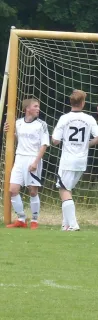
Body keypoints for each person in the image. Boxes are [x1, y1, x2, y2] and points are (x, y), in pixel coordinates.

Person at [52, 90, 98, 231]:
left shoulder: (64, 118)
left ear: (71, 102)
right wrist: (86, 144)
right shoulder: (89, 119)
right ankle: (65, 224)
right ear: (82, 103)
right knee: (67, 189)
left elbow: (55, 141)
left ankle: (73, 224)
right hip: (81, 161)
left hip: (68, 160)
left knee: (63, 189)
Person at [5, 98, 49, 229]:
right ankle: (21, 219)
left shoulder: (41, 124)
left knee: (33, 191)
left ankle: (34, 220)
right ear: (27, 108)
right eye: (35, 106)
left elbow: (44, 145)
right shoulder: (18, 123)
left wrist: (36, 162)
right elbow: (18, 137)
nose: (38, 109)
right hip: (19, 159)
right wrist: (8, 130)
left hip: (32, 158)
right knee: (13, 190)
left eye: (38, 106)